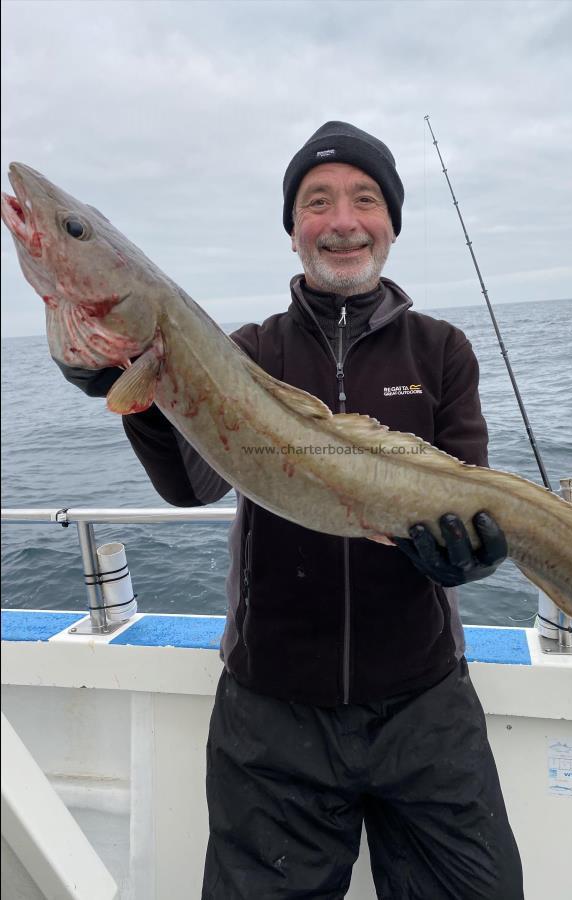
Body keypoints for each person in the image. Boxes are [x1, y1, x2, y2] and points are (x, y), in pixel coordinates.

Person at [59, 122, 523, 899]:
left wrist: (476, 553)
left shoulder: (441, 351)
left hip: (425, 703)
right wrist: (140, 392)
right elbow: (193, 487)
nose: (341, 220)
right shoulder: (245, 352)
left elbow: (467, 489)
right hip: (270, 713)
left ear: (390, 223)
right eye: (317, 202)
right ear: (293, 231)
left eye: (363, 199)